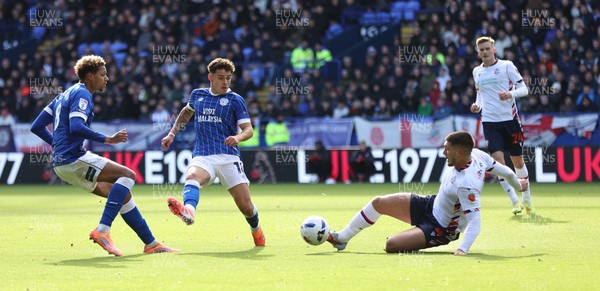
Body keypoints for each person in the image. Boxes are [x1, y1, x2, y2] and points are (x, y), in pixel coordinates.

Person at [30, 55, 178, 256]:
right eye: (103, 74)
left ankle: (151, 243)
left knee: (122, 194)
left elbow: (36, 126)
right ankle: (103, 230)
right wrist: (108, 139)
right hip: (73, 159)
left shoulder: (63, 95)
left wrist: (56, 145)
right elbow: (76, 126)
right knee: (129, 175)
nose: (106, 78)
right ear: (90, 76)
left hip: (61, 164)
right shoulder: (83, 94)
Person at [327, 131, 528, 255]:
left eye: (447, 149)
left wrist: (462, 249)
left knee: (391, 245)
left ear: (459, 153)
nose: (443, 153)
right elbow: (504, 170)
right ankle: (342, 238)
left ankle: (419, 235)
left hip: (441, 228)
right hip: (431, 204)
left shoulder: (467, 184)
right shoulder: (478, 155)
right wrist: (518, 184)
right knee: (379, 202)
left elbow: (475, 221)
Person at [161, 58, 265, 247]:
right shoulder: (197, 95)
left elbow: (249, 130)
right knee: (192, 176)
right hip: (203, 155)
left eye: (228, 78)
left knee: (246, 207)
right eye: (220, 78)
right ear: (210, 77)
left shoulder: (235, 100)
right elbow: (186, 113)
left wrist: (238, 138)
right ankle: (189, 212)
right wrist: (171, 134)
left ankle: (257, 232)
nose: (225, 82)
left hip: (228, 156)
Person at [470, 36, 536, 216]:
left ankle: (527, 199)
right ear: (478, 52)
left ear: (493, 49)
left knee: (518, 161)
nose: (484, 52)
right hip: (490, 122)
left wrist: (510, 94)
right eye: (481, 49)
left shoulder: (507, 66)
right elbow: (480, 96)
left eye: (487, 48)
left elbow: (524, 90)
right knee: (499, 163)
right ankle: (515, 201)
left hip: (510, 121)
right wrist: (477, 106)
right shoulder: (477, 72)